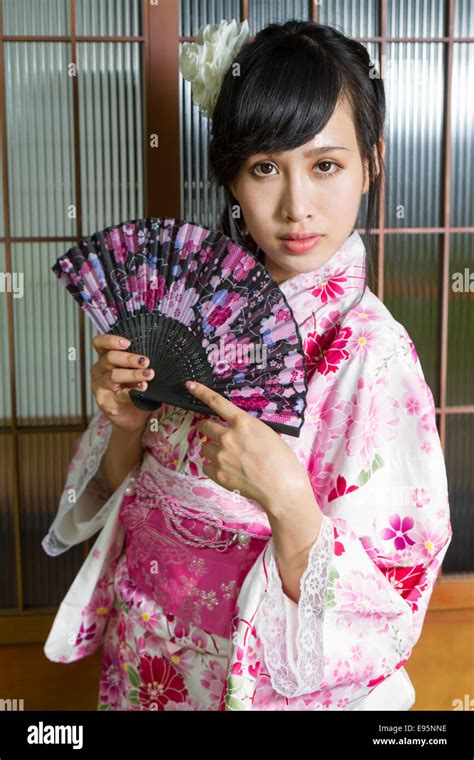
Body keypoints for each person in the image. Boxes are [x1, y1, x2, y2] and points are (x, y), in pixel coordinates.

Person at [42, 19, 452, 711]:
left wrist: (288, 500)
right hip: (149, 645)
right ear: (231, 176)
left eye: (326, 165)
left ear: (371, 163)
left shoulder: (374, 355)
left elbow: (395, 586)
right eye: (265, 167)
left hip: (253, 671)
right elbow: (119, 492)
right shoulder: (189, 307)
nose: (297, 207)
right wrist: (125, 423)